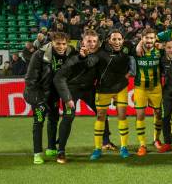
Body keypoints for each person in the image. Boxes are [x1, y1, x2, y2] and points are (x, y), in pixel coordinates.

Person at [53, 30, 113, 163]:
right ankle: (61, 151)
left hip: (89, 89)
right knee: (68, 117)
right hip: (72, 89)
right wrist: (67, 98)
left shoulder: (98, 55)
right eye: (89, 41)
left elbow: (91, 63)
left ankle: (106, 141)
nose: (92, 44)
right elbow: (62, 75)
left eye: (94, 41)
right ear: (82, 42)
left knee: (102, 111)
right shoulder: (73, 55)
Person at [23, 32, 73, 165]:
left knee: (54, 119)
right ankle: (37, 153)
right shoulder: (39, 55)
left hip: (54, 94)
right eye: (58, 44)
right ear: (52, 42)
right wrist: (38, 100)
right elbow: (29, 80)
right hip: (38, 94)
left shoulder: (69, 52)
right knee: (39, 121)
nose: (61, 46)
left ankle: (51, 147)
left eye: (64, 44)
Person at [90, 29, 133, 160]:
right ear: (109, 40)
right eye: (114, 39)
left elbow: (137, 50)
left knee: (122, 116)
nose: (117, 42)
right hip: (103, 89)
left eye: (119, 39)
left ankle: (124, 147)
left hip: (121, 88)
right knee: (101, 117)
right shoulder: (100, 52)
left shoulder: (127, 48)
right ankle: (97, 149)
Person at [133, 28, 165, 156]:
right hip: (140, 88)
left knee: (158, 114)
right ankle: (142, 144)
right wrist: (138, 44)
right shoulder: (136, 51)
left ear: (155, 38)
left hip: (156, 88)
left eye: (152, 38)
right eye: (147, 38)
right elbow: (126, 44)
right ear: (142, 38)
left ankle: (156, 139)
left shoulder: (160, 51)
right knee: (140, 115)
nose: (149, 40)